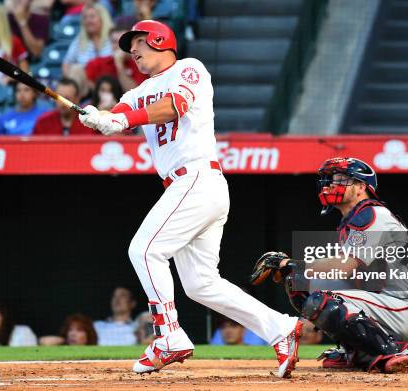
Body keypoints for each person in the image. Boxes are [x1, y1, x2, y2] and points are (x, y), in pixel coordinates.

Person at [77, 20, 302, 378]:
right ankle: (281, 328)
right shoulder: (136, 92)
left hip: (197, 178)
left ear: (159, 40)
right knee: (201, 284)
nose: (132, 51)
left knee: (144, 250)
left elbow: (176, 105)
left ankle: (168, 335)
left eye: (138, 42)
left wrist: (121, 120)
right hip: (186, 188)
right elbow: (120, 114)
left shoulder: (189, 68)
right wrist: (100, 118)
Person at [251, 157, 408, 374]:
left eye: (342, 179)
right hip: (383, 302)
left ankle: (395, 351)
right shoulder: (356, 219)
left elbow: (346, 265)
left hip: (402, 307)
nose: (332, 185)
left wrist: (291, 263)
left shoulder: (373, 214)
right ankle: (359, 350)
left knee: (321, 299)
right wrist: (294, 270)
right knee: (299, 283)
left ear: (362, 187)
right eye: (332, 180)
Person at [62, 2, 113, 95]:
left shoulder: (112, 37)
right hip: (86, 87)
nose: (88, 21)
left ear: (102, 18)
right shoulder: (79, 40)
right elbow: (66, 63)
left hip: (111, 84)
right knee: (75, 69)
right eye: (85, 17)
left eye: (92, 17)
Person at [84, 25, 148, 92]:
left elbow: (136, 94)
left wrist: (119, 66)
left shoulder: (140, 64)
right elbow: (86, 81)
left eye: (122, 42)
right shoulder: (99, 62)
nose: (118, 46)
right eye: (114, 42)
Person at [33, 78, 97, 135]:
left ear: (77, 99)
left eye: (67, 99)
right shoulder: (43, 123)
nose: (62, 103)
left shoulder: (90, 123)